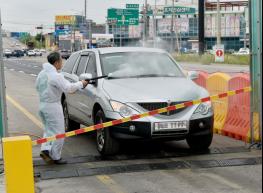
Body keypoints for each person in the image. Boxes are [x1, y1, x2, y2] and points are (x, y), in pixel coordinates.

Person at [36, 52, 88, 165]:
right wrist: (81, 83)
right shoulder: (55, 75)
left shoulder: (42, 73)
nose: (62, 63)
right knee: (59, 132)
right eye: (61, 60)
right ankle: (56, 157)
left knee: (49, 130)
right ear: (56, 62)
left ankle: (45, 149)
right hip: (53, 106)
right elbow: (68, 88)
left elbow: (37, 87)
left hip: (42, 105)